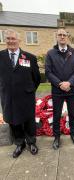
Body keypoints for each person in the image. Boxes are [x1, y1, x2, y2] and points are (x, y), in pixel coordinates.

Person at [0, 29, 41, 158]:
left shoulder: (29, 58)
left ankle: (31, 142)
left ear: (19, 40)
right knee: (13, 120)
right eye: (8, 39)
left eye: (13, 38)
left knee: (29, 120)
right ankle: (19, 143)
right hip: (8, 97)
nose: (11, 41)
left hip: (26, 96)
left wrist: (29, 90)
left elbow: (37, 78)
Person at [45, 28, 74, 149]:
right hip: (57, 90)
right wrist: (60, 84)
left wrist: (69, 83)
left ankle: (73, 134)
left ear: (67, 37)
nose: (62, 37)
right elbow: (48, 72)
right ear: (56, 37)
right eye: (59, 35)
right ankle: (56, 137)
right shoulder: (50, 53)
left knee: (72, 113)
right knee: (56, 114)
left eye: (64, 35)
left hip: (71, 89)